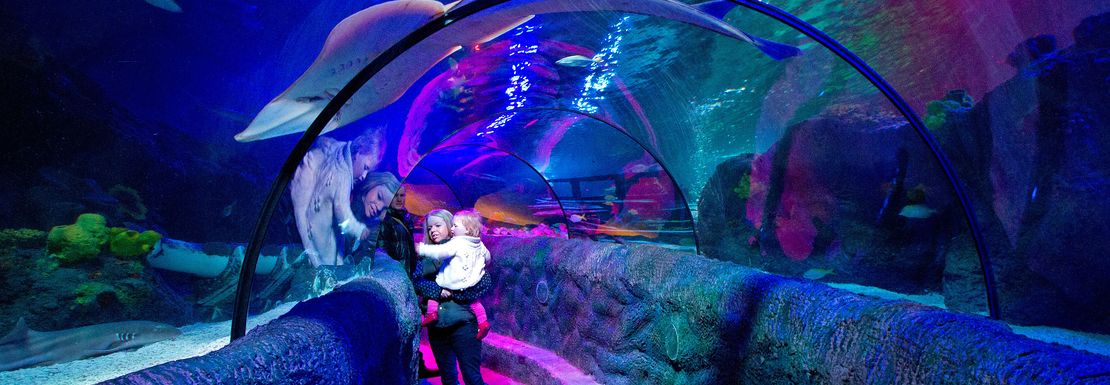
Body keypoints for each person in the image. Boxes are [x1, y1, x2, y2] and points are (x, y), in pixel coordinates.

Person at [414, 209, 490, 385]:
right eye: (429, 227)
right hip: (437, 325)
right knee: (448, 376)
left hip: (463, 323)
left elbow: (483, 282)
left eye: (438, 225)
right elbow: (417, 281)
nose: (433, 230)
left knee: (472, 376)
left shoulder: (468, 252)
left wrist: (457, 290)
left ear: (451, 227)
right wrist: (437, 291)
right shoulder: (425, 257)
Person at [290, 129, 384, 267]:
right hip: (319, 238)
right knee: (327, 262)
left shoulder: (337, 150)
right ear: (358, 153)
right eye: (365, 167)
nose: (364, 176)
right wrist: (358, 230)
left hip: (311, 221)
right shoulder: (343, 175)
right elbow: (342, 212)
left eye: (368, 171)